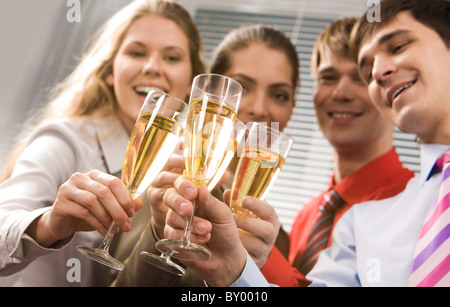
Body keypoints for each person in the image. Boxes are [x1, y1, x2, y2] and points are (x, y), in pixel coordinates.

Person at [163, 0, 450, 287]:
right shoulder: (318, 219)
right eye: (328, 77)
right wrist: (236, 271)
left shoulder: (398, 203)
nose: (341, 92)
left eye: (398, 47)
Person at [0, 0, 204, 286]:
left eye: (171, 58)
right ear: (110, 71)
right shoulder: (67, 140)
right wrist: (49, 224)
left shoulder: (180, 175)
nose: (152, 67)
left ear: (190, 83)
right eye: (137, 52)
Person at [111, 24, 299, 286]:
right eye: (242, 86)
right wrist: (156, 235)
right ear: (210, 94)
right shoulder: (158, 188)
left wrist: (245, 276)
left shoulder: (275, 242)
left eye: (279, 95)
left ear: (292, 108)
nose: (259, 109)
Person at [259, 17, 414, 286]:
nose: (340, 93)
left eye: (361, 78)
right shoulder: (309, 214)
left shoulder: (411, 205)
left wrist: (254, 257)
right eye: (328, 78)